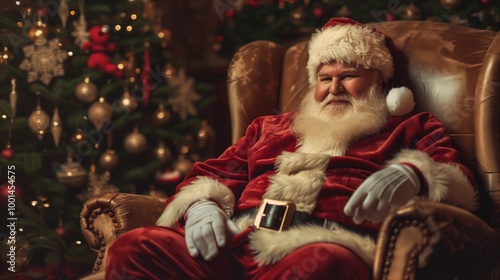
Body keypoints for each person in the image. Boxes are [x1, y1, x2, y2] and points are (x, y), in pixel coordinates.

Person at [105, 18, 478, 279]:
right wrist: (203, 204)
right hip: (235, 248)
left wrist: (412, 173)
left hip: (320, 248)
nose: (333, 88)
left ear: (380, 82)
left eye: (348, 76)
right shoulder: (269, 128)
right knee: (135, 247)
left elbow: (458, 179)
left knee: (325, 264)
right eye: (324, 78)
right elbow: (213, 173)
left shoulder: (410, 127)